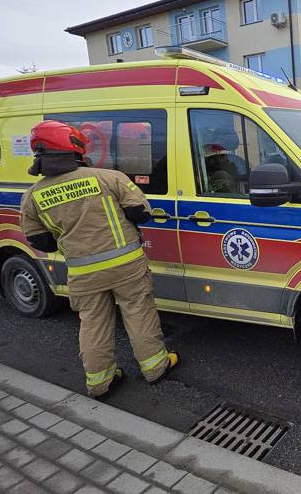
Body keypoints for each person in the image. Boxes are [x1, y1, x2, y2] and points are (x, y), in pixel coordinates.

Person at [20, 120, 178, 398]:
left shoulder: (33, 196)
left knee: (93, 322)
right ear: (76, 150)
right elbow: (140, 212)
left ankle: (100, 382)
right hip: (126, 266)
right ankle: (155, 368)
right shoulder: (107, 177)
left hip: (83, 272)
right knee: (138, 312)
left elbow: (39, 240)